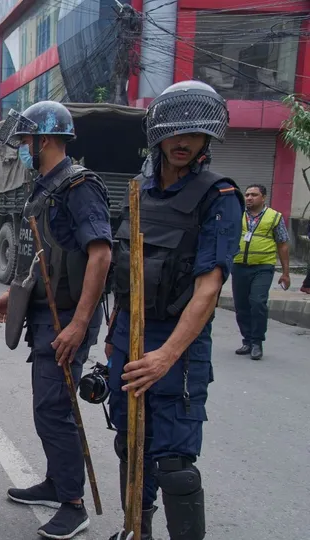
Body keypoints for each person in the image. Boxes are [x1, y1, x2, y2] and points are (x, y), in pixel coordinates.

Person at [104, 81, 244, 540]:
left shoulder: (218, 197)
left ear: (208, 139)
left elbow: (209, 287)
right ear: (158, 134)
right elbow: (124, 275)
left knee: (175, 466)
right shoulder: (137, 192)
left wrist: (166, 356)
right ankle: (135, 529)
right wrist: (112, 332)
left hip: (177, 349)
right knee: (130, 446)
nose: (184, 142)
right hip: (126, 338)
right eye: (175, 132)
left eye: (196, 134)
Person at [0, 101, 112, 539]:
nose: (22, 149)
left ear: (46, 140)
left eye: (26, 141)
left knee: (55, 410)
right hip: (46, 313)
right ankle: (55, 483)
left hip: (67, 319)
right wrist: (14, 292)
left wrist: (79, 325)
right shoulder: (45, 187)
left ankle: (73, 504)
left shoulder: (78, 187)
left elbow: (100, 254)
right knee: (48, 408)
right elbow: (46, 255)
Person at [231, 183, 289, 360]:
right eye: (247, 194)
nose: (249, 198)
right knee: (241, 306)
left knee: (257, 302)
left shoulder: (274, 217)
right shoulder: (237, 214)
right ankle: (247, 340)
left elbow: (283, 244)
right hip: (239, 265)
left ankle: (257, 342)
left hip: (263, 266)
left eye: (254, 195)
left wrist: (285, 272)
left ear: (263, 198)